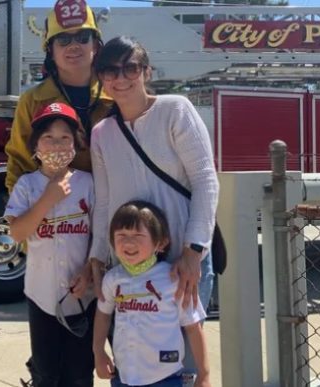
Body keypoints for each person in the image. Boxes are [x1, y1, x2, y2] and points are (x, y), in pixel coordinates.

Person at [88, 36, 219, 313]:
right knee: (133, 350)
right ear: (101, 77)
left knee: (184, 352)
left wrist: (193, 252)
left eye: (130, 68)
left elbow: (205, 180)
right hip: (128, 262)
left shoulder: (175, 110)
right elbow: (103, 201)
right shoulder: (101, 133)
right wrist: (97, 258)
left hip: (180, 259)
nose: (120, 78)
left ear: (146, 71)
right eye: (110, 71)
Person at [5, 102, 96, 387]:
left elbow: (100, 234)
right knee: (46, 375)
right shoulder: (27, 185)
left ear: (76, 144)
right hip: (40, 297)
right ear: (35, 145)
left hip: (82, 298)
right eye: (48, 138)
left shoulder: (88, 183)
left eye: (65, 138)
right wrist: (48, 199)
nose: (56, 145)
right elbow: (16, 233)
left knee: (80, 374)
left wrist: (89, 270)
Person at [93, 200, 211, 387]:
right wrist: (98, 353)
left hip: (166, 378)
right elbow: (103, 315)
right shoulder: (112, 279)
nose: (128, 242)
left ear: (161, 243)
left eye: (138, 235)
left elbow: (193, 327)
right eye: (121, 235)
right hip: (123, 377)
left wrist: (204, 375)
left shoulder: (174, 280)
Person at [5, 0, 114, 193]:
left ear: (95, 45)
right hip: (60, 217)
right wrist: (21, 216)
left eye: (82, 37)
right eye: (63, 39)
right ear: (51, 50)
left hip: (114, 211)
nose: (73, 46)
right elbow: (20, 166)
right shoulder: (32, 102)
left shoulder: (116, 94)